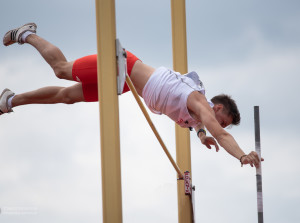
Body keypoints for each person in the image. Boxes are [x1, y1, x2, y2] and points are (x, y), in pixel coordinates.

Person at [0, 23, 263, 168]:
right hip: (123, 67)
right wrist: (241, 155)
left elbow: (200, 127)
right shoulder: (197, 99)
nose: (220, 126)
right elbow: (222, 134)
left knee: (67, 96)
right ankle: (27, 35)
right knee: (62, 71)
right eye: (223, 120)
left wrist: (203, 137)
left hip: (124, 84)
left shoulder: (197, 116)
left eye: (222, 125)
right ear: (216, 107)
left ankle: (9, 100)